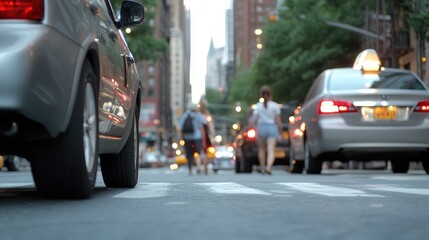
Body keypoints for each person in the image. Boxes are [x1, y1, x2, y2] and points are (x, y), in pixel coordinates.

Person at [250, 85, 283, 175]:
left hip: (262, 128)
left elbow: (253, 119)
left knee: (261, 149)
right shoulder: (275, 106)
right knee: (271, 150)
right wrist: (280, 132)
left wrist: (252, 127)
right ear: (270, 94)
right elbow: (278, 121)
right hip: (272, 127)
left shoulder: (258, 106)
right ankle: (269, 167)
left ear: (261, 95)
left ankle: (262, 168)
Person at [178, 102, 207, 175]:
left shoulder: (185, 115)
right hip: (197, 137)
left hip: (187, 138)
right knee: (199, 152)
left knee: (189, 154)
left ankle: (190, 169)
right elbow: (204, 121)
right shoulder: (198, 114)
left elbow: (180, 125)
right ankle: (199, 167)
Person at [198, 97, 216, 175]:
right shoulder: (207, 115)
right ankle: (205, 166)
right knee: (205, 151)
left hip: (196, 135)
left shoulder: (196, 114)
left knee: (197, 151)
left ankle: (198, 166)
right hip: (204, 135)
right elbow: (210, 126)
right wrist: (213, 134)